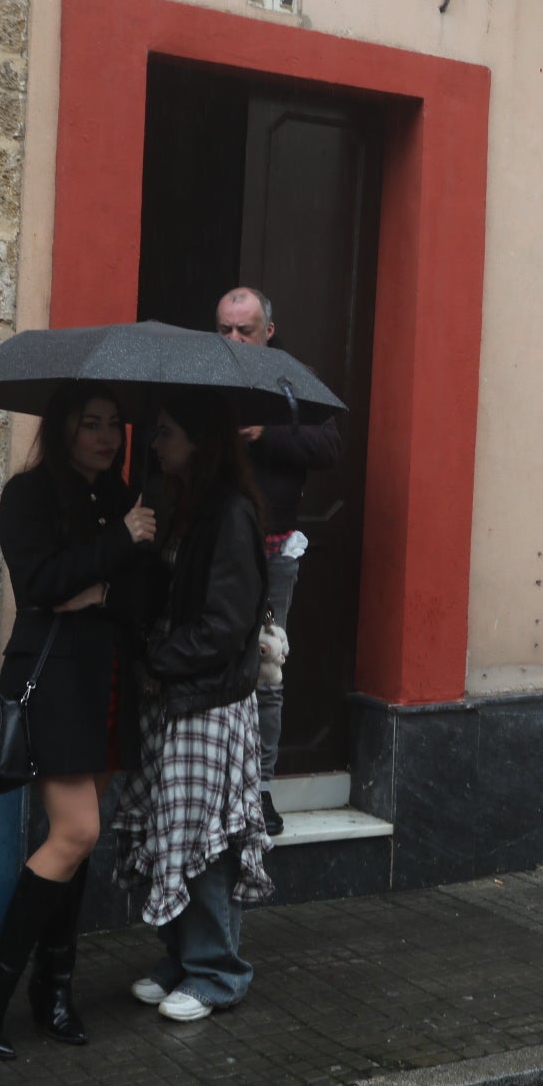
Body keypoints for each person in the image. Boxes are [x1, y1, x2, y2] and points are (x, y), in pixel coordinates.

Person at [0, 383, 156, 1060]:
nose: (105, 436)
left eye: (112, 425)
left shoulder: (126, 497)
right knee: (76, 831)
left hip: (106, 680)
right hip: (53, 681)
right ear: (64, 430)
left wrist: (100, 585)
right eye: (90, 424)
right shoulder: (31, 494)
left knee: (73, 843)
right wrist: (113, 550)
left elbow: (139, 594)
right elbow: (39, 585)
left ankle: (56, 989)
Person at [114, 389, 277, 1023]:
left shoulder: (230, 514)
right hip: (177, 698)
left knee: (204, 841)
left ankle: (218, 971)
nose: (155, 444)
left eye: (167, 434)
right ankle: (181, 957)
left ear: (200, 443)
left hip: (207, 703)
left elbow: (225, 624)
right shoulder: (186, 507)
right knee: (170, 831)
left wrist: (159, 661)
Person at [215, 286, 343, 837]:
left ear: (269, 330)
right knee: (215, 667)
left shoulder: (295, 378)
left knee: (267, 670)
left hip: (273, 551)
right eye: (225, 328)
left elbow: (329, 448)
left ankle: (262, 789)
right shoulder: (206, 375)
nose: (235, 338)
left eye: (245, 329)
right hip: (216, 550)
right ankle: (219, 786)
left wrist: (265, 435)